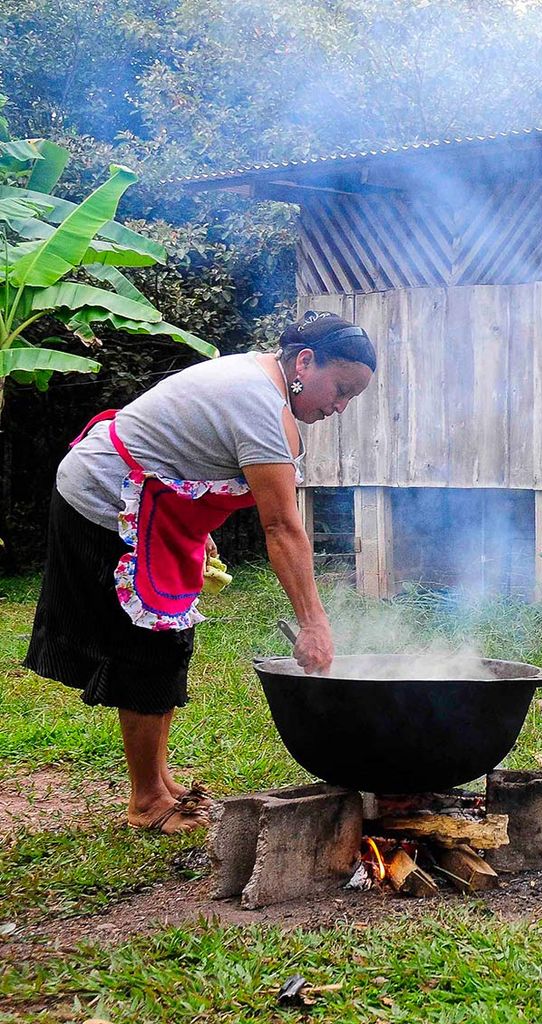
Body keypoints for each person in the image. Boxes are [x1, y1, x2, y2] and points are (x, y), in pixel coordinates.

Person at [24, 310, 376, 834]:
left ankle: (161, 782)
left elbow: (187, 448)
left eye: (351, 398)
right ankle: (147, 801)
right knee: (148, 647)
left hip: (153, 502)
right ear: (305, 361)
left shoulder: (265, 384)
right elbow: (281, 526)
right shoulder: (256, 401)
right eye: (340, 388)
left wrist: (194, 519)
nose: (338, 406)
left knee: (169, 640)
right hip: (107, 496)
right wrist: (314, 623)